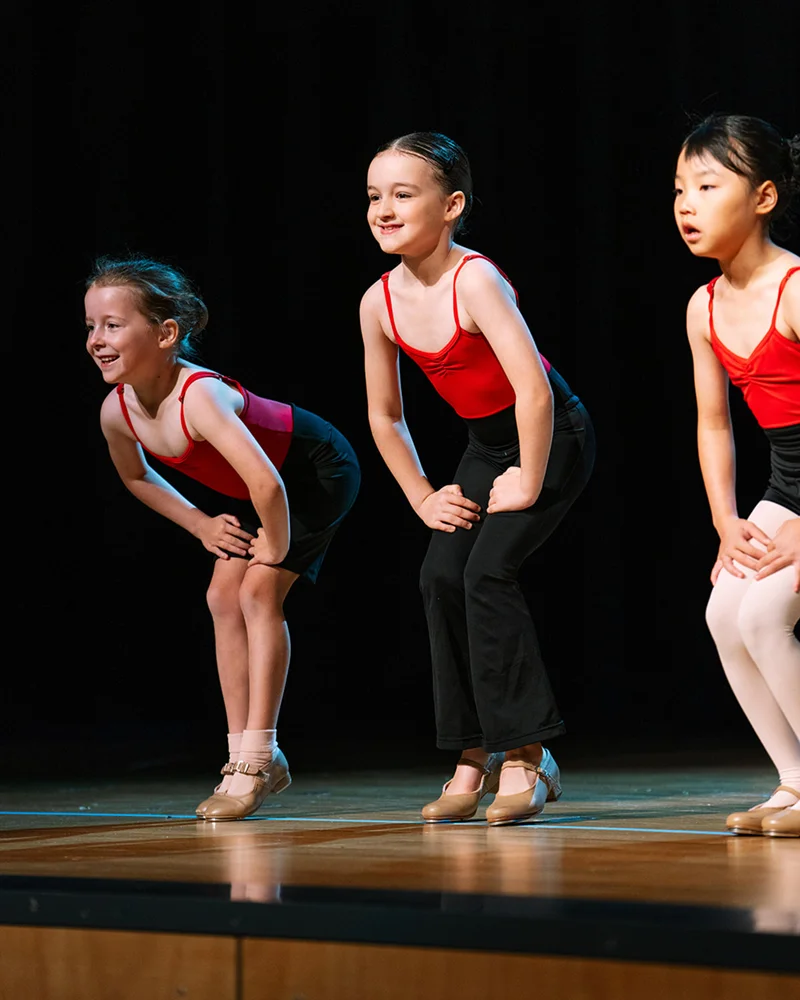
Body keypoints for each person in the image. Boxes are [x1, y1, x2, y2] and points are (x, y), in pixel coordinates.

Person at [359, 132, 595, 826]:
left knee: (486, 574)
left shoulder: (476, 279)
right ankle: (472, 753)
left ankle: (526, 754)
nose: (384, 209)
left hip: (552, 434)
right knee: (439, 576)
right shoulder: (379, 302)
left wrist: (528, 472)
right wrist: (422, 494)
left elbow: (535, 391)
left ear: (452, 204)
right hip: (487, 445)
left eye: (403, 195)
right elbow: (383, 415)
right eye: (375, 196)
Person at [85, 256, 360, 820]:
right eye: (90, 326)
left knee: (257, 593)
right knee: (219, 597)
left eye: (113, 325)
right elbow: (137, 476)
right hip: (261, 489)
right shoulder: (118, 411)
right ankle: (244, 757)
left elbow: (269, 481)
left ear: (166, 334)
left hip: (315, 472)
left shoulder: (201, 397)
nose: (97, 339)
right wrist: (199, 522)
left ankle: (259, 758)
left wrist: (277, 550)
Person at [675, 113, 800, 837]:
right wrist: (726, 522)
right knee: (725, 612)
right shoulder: (705, 305)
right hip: (786, 485)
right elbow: (714, 424)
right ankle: (791, 781)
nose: (687, 203)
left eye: (707, 185)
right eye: (679, 189)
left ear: (763, 197)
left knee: (763, 614)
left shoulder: (793, 288)